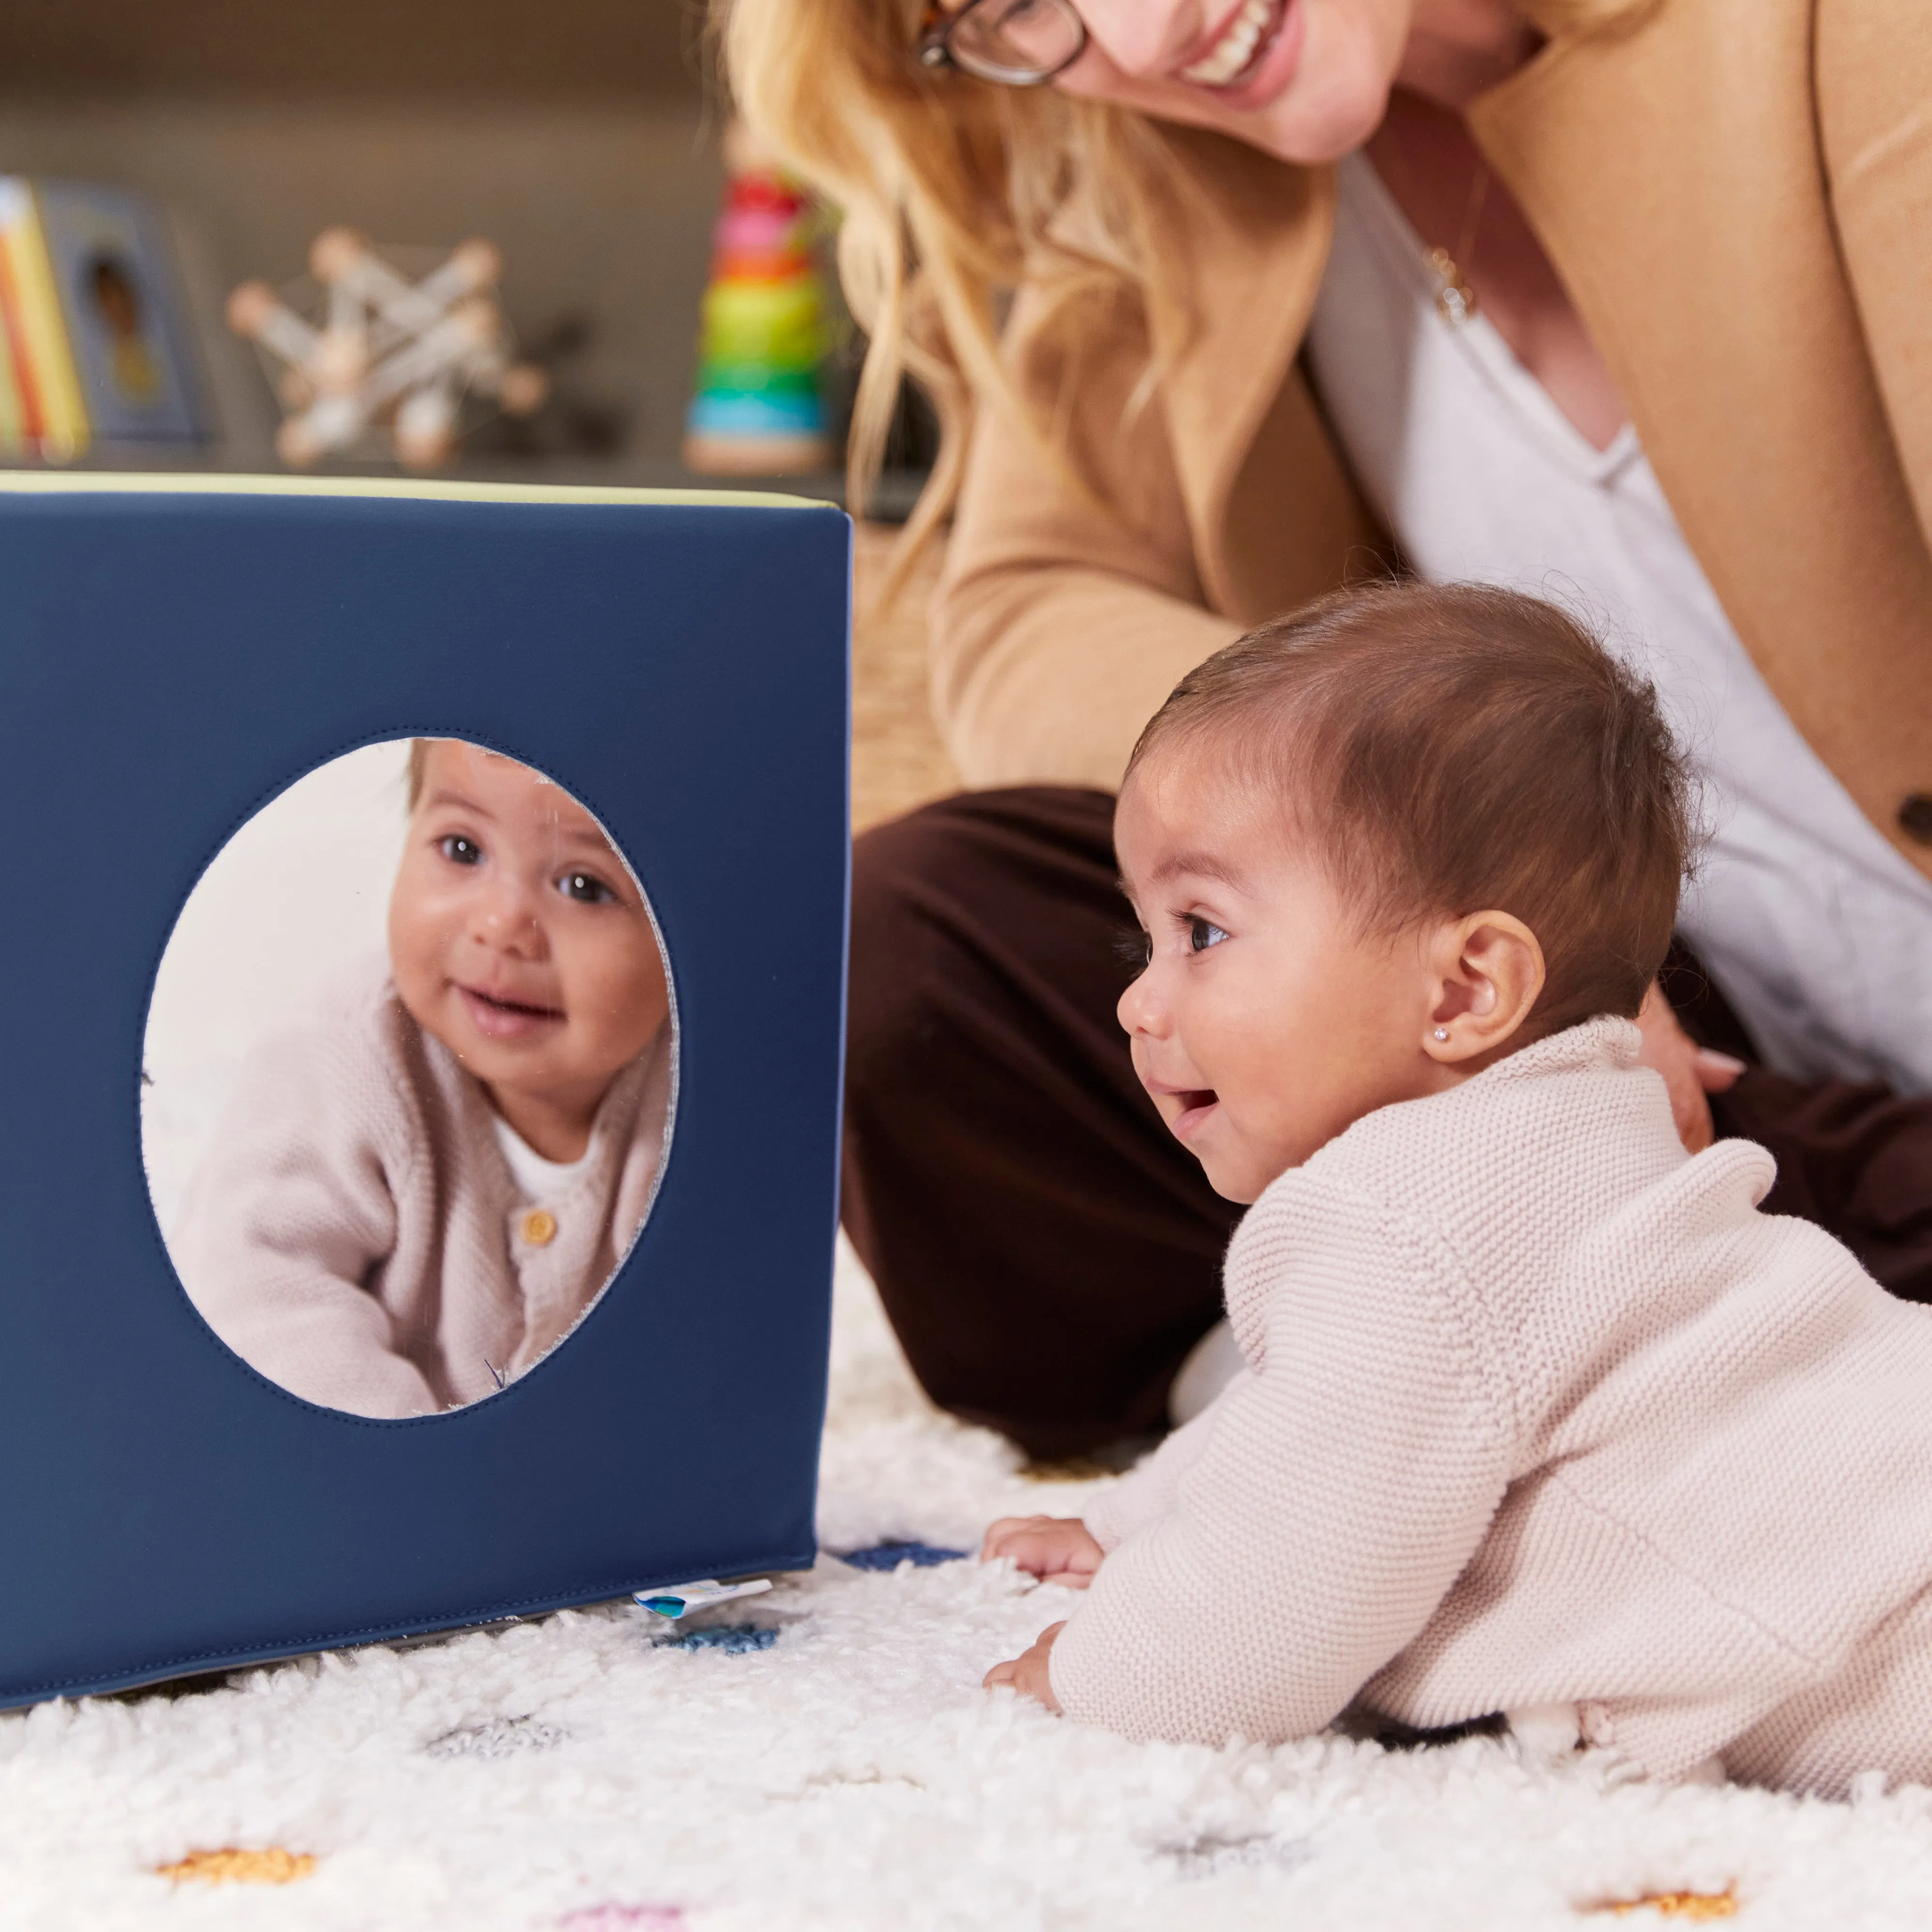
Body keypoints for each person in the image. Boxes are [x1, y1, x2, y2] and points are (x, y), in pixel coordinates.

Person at [718, 0, 1932, 1457]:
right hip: (1596, 1042)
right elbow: (1029, 606)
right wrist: (1483, 854)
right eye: (1006, 0)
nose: (1149, 30)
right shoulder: (1165, 175)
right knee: (922, 938)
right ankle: (1376, 1406)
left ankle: (1505, 1406)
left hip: (1828, 1130)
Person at [979, 583, 1932, 1800]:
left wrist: (1096, 1679)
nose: (1137, 1001)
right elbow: (1304, 1423)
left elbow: (1271, 1592)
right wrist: (1125, 1523)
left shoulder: (1404, 1222)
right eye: (1143, 939)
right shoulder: (1572, 1127)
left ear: (1463, 989)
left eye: (1201, 932)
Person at [168, 739, 674, 1418]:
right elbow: (256, 1293)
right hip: (377, 1480)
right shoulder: (345, 1058)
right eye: (463, 849)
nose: (502, 928)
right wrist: (413, 1477)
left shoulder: (687, 1091)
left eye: (585, 886)